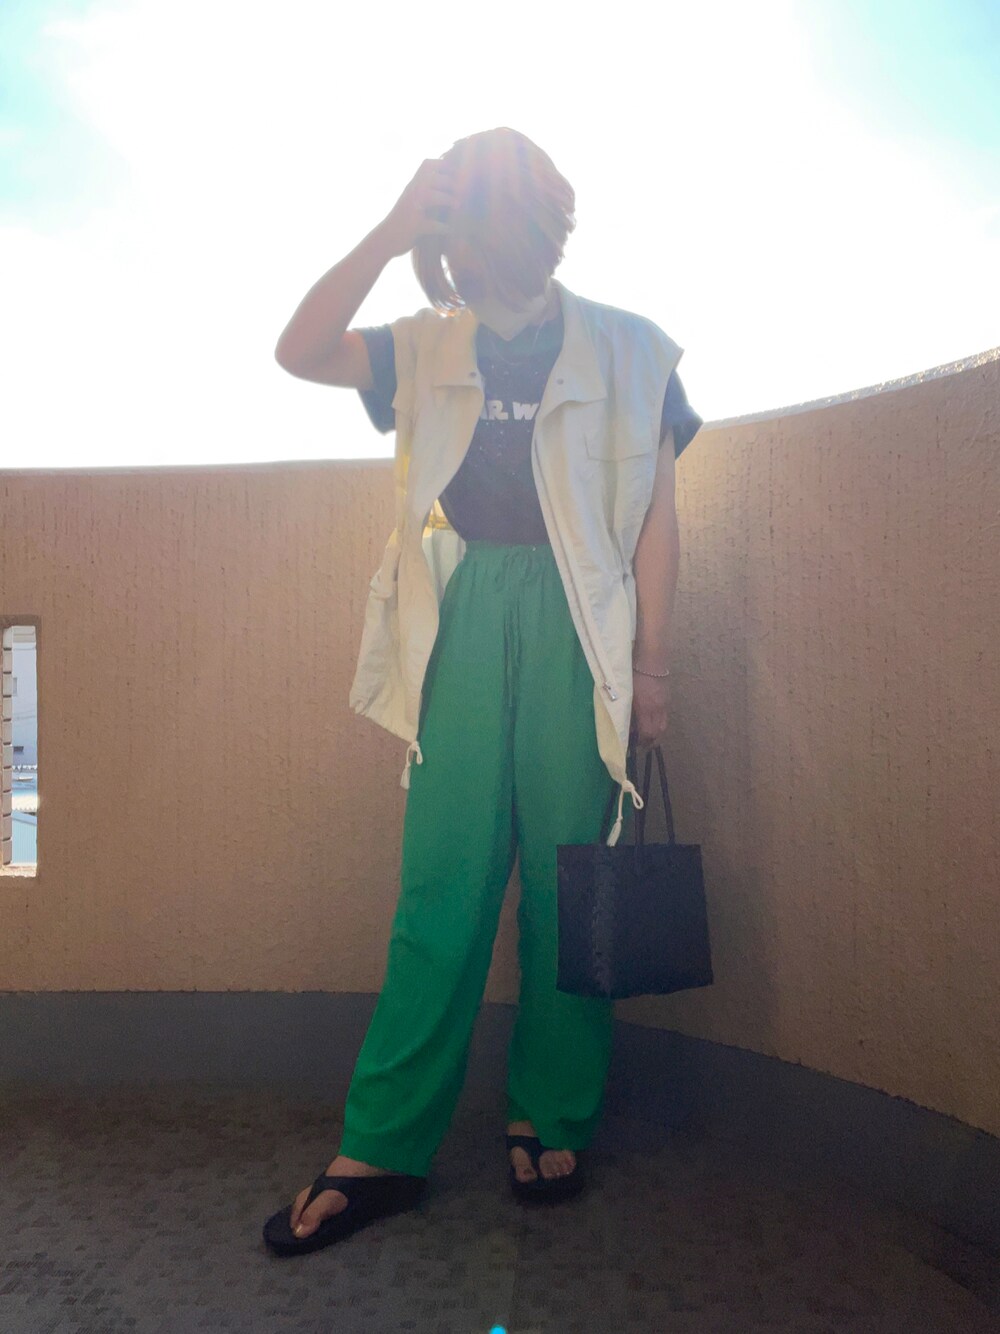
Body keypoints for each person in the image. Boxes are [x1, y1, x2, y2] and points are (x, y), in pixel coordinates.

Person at [262, 128, 702, 1257]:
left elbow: (656, 518)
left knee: (571, 884)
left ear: (544, 223)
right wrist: (388, 231)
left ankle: (550, 1109)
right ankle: (383, 1143)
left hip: (580, 622)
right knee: (442, 887)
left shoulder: (632, 346)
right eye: (459, 224)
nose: (477, 246)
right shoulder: (423, 345)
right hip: (459, 612)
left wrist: (653, 667)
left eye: (489, 218)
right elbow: (298, 349)